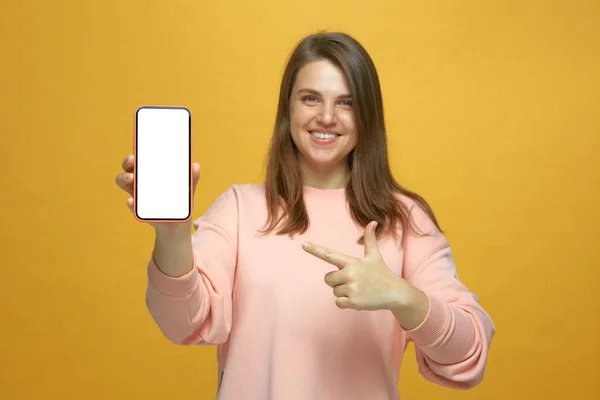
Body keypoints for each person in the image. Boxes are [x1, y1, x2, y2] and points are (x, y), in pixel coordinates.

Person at [115, 31, 495, 400]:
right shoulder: (238, 209)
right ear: (288, 109)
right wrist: (172, 236)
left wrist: (405, 297)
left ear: (368, 116)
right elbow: (181, 323)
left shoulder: (404, 220)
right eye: (311, 98)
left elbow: (469, 354)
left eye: (346, 103)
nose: (327, 116)